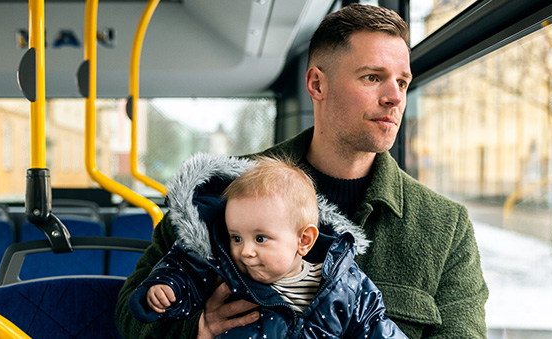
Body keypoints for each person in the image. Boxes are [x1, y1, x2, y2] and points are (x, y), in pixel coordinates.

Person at [116, 4, 488, 338]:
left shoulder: (445, 227)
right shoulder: (221, 190)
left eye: (402, 82)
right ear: (316, 84)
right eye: (373, 77)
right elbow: (128, 314)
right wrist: (196, 329)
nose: (394, 96)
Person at [126, 155, 407, 338]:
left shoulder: (345, 285)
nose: (245, 251)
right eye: (236, 237)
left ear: (304, 240)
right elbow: (184, 271)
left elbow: (374, 327)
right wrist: (167, 289)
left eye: (260, 238)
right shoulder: (224, 271)